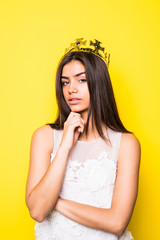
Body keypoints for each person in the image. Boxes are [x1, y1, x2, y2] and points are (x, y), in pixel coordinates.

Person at [25, 38, 141, 240]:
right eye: (65, 82)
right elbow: (37, 211)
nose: (71, 89)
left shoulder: (126, 144)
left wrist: (54, 201)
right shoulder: (44, 137)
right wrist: (64, 147)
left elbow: (117, 223)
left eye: (81, 79)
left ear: (99, 83)